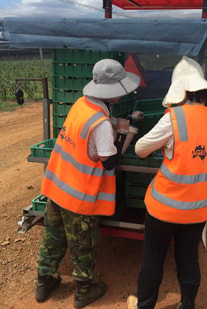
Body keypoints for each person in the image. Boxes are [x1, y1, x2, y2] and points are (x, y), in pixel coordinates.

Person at [127, 56, 207, 309]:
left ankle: (144, 306)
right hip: (200, 208)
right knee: (188, 258)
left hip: (165, 207)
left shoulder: (175, 117)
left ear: (182, 91)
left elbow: (141, 149)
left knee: (153, 258)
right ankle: (187, 305)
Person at [35, 58, 141, 309]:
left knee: (53, 236)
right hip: (79, 196)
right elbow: (109, 161)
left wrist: (121, 124)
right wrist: (131, 131)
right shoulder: (101, 123)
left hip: (57, 186)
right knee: (83, 243)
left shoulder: (82, 105)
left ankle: (44, 281)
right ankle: (84, 289)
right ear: (114, 92)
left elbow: (90, 134)